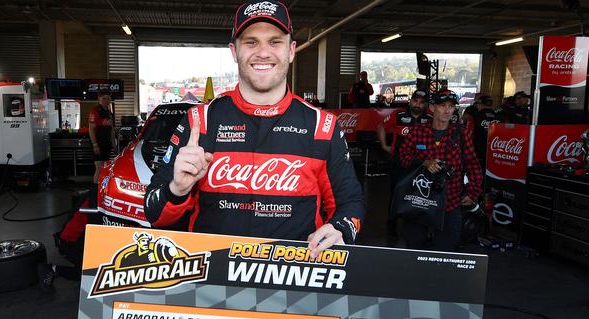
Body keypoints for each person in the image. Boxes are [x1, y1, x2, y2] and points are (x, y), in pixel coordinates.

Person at [144, 0, 364, 258]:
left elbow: (350, 204)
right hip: (210, 283)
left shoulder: (323, 127)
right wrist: (177, 189)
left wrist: (341, 228)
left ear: (292, 50)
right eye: (251, 42)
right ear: (234, 51)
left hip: (294, 284)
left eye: (275, 41)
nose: (263, 52)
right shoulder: (198, 122)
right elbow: (155, 215)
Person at [399, 90, 482, 252]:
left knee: (445, 253)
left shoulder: (462, 133)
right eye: (442, 105)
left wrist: (472, 193)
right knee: (414, 251)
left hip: (450, 203)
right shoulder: (417, 132)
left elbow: (473, 165)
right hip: (419, 203)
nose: (447, 110)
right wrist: (424, 162)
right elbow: (402, 159)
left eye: (451, 106)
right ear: (431, 107)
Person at [377, 89, 432, 236]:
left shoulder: (430, 117)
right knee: (397, 191)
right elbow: (381, 126)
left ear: (425, 104)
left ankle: (418, 224)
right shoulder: (398, 114)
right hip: (399, 160)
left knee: (421, 193)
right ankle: (392, 223)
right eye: (415, 101)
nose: (417, 105)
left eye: (421, 102)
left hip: (422, 162)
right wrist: (384, 145)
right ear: (410, 100)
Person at [463, 95, 496, 175]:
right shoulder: (500, 117)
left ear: (480, 104)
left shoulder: (474, 117)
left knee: (477, 175)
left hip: (478, 152)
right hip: (495, 152)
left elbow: (468, 135)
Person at [88, 89, 116, 184]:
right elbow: (91, 128)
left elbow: (111, 129)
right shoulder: (95, 111)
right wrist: (95, 145)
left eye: (108, 98)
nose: (106, 100)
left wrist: (114, 144)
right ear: (99, 99)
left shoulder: (109, 113)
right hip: (98, 144)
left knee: (105, 169)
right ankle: (95, 192)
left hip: (107, 144)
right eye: (104, 98)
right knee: (99, 168)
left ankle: (102, 191)